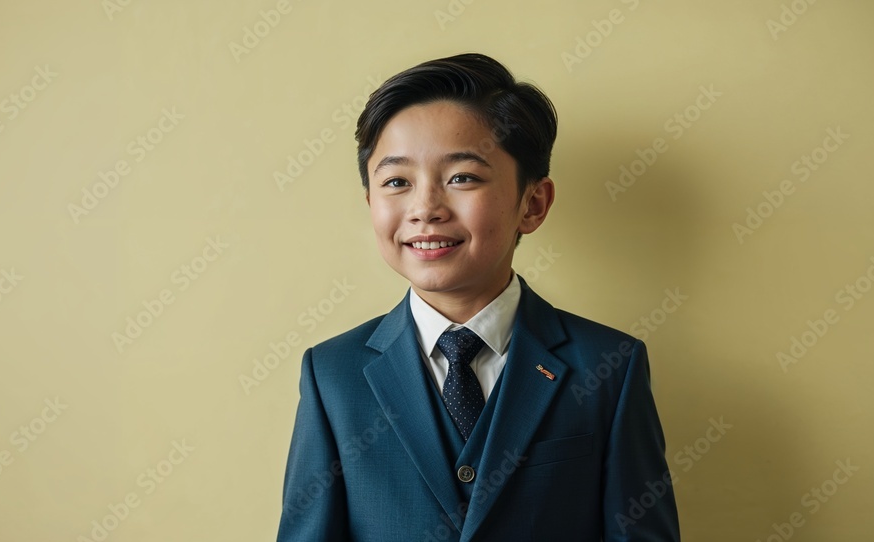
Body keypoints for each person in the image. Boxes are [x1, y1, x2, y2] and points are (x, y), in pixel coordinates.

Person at [277, 53, 680, 541]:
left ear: (532, 204)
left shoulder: (610, 366)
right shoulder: (332, 374)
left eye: (462, 177)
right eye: (397, 182)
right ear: (371, 203)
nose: (426, 208)